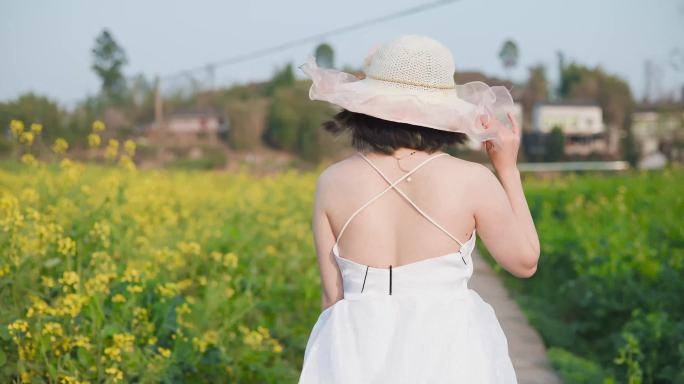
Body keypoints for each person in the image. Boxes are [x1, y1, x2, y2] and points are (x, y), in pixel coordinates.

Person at [297, 34, 540, 383]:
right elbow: (525, 261)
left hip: (357, 347)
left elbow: (332, 298)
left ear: (369, 106)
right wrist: (507, 169)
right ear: (442, 111)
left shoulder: (332, 182)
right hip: (449, 349)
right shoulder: (472, 179)